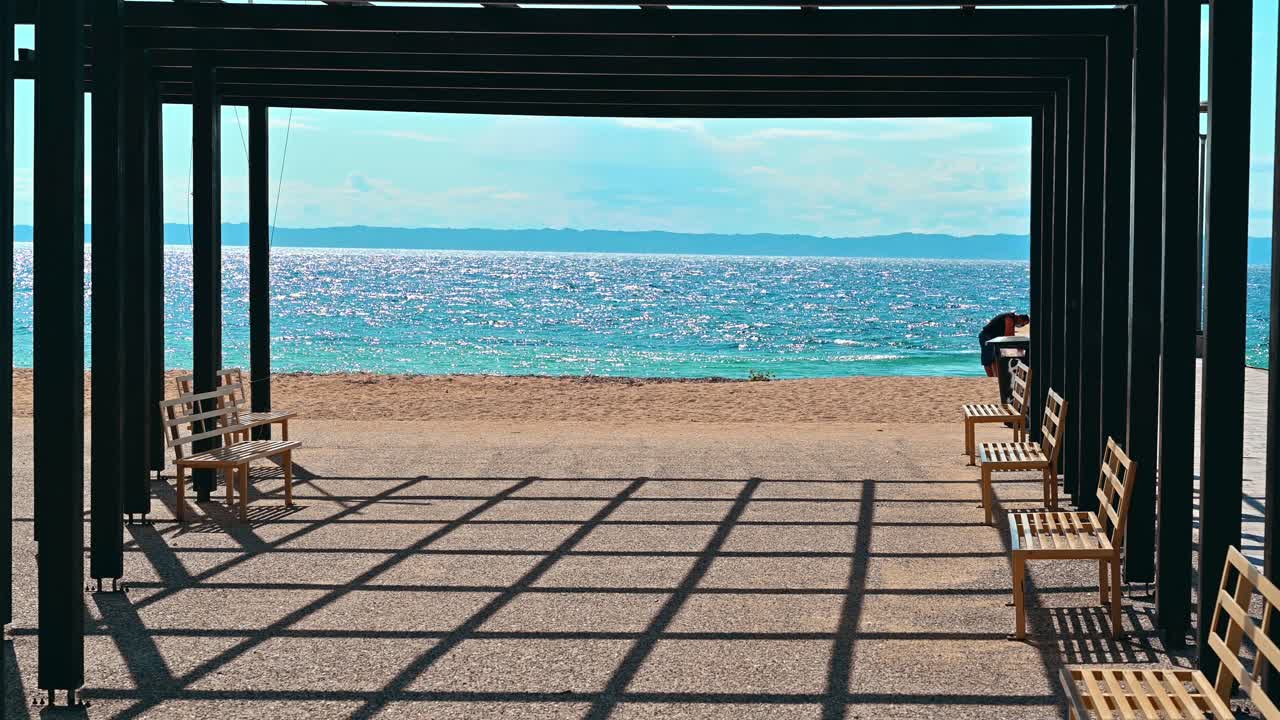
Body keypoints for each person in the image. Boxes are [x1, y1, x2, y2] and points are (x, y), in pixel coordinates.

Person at [979, 312, 1030, 377]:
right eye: (1023, 324)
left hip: (993, 337)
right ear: (1020, 318)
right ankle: (991, 377)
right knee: (988, 358)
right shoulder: (1009, 318)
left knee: (994, 358)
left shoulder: (1012, 319)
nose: (1021, 326)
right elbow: (1009, 335)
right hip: (986, 336)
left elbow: (1010, 336)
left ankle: (995, 376)